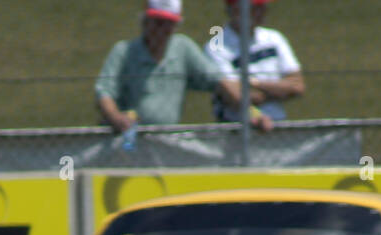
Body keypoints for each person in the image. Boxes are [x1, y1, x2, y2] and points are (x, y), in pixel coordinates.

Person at [95, 0, 270, 135]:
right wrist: (116, 118)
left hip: (166, 143)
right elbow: (104, 92)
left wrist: (252, 113)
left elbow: (219, 82)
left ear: (176, 26)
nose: (162, 29)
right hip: (125, 142)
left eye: (169, 24)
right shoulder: (123, 51)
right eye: (157, 22)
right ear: (145, 21)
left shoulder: (183, 48)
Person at [205, 0, 305, 123]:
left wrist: (253, 83)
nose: (262, 11)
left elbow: (297, 86)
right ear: (234, 8)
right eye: (255, 7)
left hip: (278, 128)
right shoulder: (216, 47)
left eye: (263, 6)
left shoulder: (274, 38)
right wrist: (278, 91)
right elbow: (237, 97)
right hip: (236, 132)